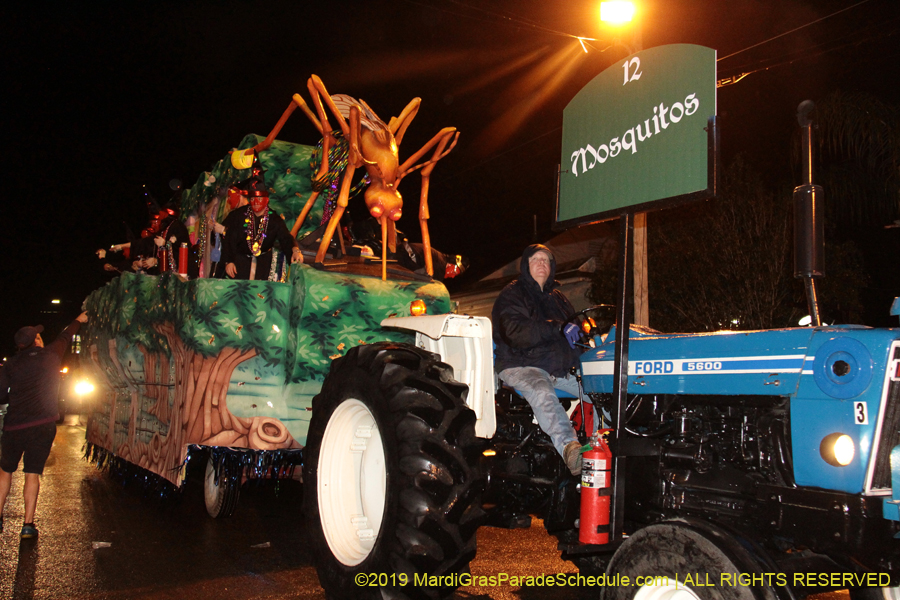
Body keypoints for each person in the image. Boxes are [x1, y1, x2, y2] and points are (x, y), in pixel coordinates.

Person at [492, 244, 584, 475]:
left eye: (546, 260)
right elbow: (515, 332)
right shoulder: (512, 294)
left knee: (600, 387)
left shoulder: (559, 299)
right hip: (520, 364)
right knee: (541, 390)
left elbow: (574, 331)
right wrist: (557, 328)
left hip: (558, 368)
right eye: (536, 259)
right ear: (526, 265)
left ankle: (616, 439)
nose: (542, 263)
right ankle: (571, 449)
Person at [0, 311, 88, 538]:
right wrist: (79, 320)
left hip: (14, 427)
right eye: (38, 336)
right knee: (32, 474)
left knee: (5, 473)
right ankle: (27, 525)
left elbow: (1, 395)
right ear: (36, 342)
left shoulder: (10, 366)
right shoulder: (50, 355)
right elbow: (66, 336)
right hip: (42, 425)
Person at [220, 153, 302, 280]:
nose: (256, 202)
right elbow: (229, 239)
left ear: (267, 200)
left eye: (260, 199)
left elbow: (285, 238)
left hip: (264, 263)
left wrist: (295, 250)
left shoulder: (274, 219)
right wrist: (229, 261)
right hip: (239, 262)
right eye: (252, 199)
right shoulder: (238, 215)